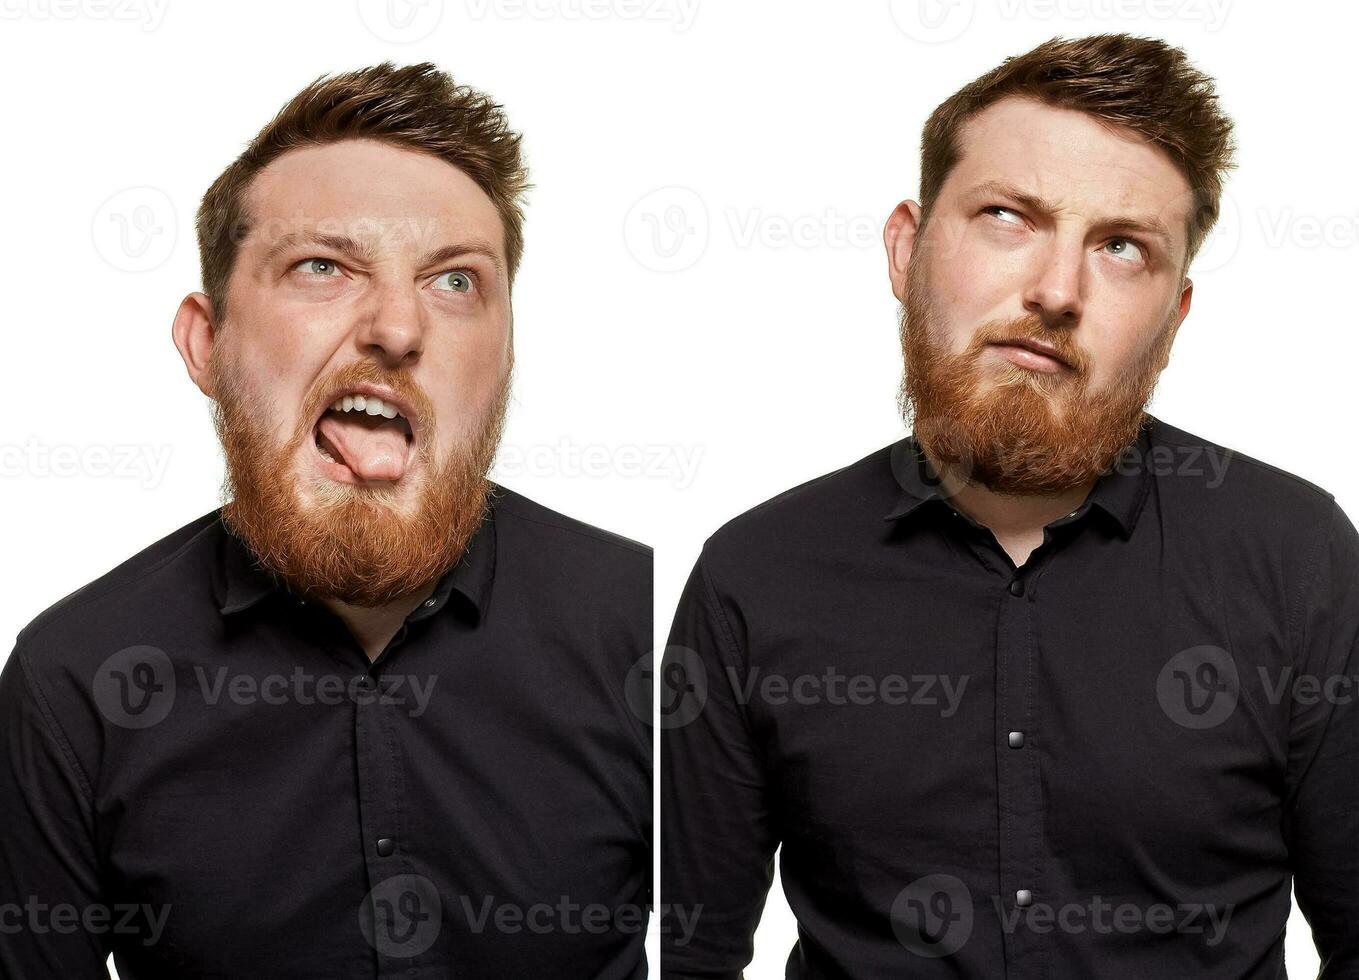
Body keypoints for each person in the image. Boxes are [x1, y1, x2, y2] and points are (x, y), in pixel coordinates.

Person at [661, 33, 1356, 978]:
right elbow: (692, 955)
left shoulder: (1297, 557)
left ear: (1174, 315)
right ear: (905, 250)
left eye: (1120, 248)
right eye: (1007, 216)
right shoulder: (755, 576)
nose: (1057, 291)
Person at [0, 62, 651, 978]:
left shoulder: (653, 626)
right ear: (207, 342)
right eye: (322, 267)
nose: (396, 326)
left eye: (455, 282)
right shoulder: (74, 677)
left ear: (504, 358)